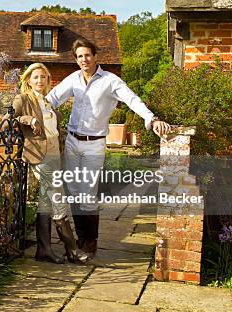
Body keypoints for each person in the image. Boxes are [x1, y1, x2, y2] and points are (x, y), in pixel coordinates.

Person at [46, 39, 171, 257]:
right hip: (73, 141)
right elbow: (52, 99)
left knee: (87, 191)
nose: (84, 59)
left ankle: (90, 242)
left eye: (87, 55)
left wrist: (152, 119)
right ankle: (81, 239)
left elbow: (132, 100)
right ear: (76, 60)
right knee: (74, 192)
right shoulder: (74, 79)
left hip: (94, 144)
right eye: (79, 56)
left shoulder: (110, 81)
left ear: (95, 57)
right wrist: (27, 109)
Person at [11, 63, 90, 265]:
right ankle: (72, 249)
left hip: (55, 153)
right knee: (58, 198)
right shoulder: (23, 99)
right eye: (36, 77)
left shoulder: (47, 101)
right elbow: (12, 118)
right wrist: (29, 120)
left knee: (46, 202)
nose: (40, 81)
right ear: (28, 79)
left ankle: (43, 250)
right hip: (39, 154)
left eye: (43, 77)